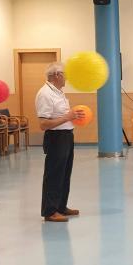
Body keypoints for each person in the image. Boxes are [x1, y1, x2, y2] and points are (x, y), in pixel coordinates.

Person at [36, 62, 85, 223]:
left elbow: (63, 115)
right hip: (55, 138)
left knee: (64, 174)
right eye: (65, 74)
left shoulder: (58, 92)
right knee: (53, 175)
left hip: (66, 136)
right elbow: (43, 124)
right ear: (56, 75)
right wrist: (67, 117)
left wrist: (73, 117)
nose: (67, 77)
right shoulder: (45, 94)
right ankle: (50, 211)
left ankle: (61, 206)